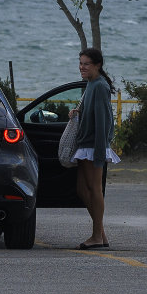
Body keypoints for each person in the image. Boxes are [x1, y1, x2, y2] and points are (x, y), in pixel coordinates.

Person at [62, 45, 116, 250]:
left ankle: (96, 236)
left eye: (86, 64)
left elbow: (103, 121)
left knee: (95, 189)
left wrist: (100, 152)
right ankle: (100, 232)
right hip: (86, 144)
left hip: (94, 145)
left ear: (97, 65)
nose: (82, 68)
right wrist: (78, 112)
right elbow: (92, 113)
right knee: (82, 189)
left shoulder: (100, 86)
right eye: (80, 64)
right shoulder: (91, 84)